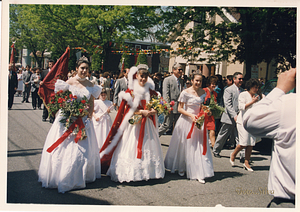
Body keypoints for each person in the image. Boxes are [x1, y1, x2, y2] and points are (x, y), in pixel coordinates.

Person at [38, 57, 102, 193]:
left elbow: (90, 104)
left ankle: (79, 175)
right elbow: (62, 99)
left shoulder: (91, 85)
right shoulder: (69, 82)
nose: (84, 71)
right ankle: (62, 175)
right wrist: (69, 114)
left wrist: (88, 118)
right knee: (64, 147)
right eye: (82, 68)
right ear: (77, 69)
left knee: (82, 149)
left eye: (87, 69)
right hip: (68, 118)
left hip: (82, 119)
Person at [100, 64, 165, 183]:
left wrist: (154, 110)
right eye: (141, 76)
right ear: (137, 76)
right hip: (134, 124)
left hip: (147, 125)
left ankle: (149, 172)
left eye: (145, 77)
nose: (143, 79)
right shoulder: (131, 92)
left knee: (148, 144)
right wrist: (141, 112)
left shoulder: (152, 92)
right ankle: (132, 173)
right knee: (131, 146)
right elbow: (127, 110)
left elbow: (160, 106)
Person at [243, 68, 296, 208]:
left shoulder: (289, 103)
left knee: (249, 143)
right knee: (244, 143)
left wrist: (279, 89)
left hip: (289, 200)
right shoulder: (242, 94)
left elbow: (250, 120)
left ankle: (246, 160)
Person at [164, 71, 214, 184]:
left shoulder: (203, 92)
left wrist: (207, 112)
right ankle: (182, 167)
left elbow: (203, 106)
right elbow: (180, 109)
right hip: (186, 120)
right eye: (196, 80)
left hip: (198, 121)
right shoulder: (185, 92)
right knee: (185, 145)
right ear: (192, 81)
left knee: (198, 146)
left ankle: (198, 171)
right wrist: (191, 115)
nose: (198, 83)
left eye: (200, 81)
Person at [229, 78, 261, 171]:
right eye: (255, 87)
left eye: (257, 88)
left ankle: (247, 162)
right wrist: (252, 102)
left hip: (252, 122)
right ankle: (234, 154)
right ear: (250, 87)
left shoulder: (257, 96)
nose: (256, 89)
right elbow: (241, 107)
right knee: (244, 142)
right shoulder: (243, 94)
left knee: (251, 143)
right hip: (242, 121)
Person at [212, 72, 244, 158]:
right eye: (239, 79)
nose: (241, 80)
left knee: (240, 136)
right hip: (229, 117)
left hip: (239, 117)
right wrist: (234, 115)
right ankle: (216, 150)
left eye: (242, 79)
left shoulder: (242, 90)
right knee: (223, 135)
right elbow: (228, 104)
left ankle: (242, 155)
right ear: (234, 79)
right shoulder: (229, 90)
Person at [158, 62, 183, 136]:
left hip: (179, 107)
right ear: (174, 70)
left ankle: (176, 142)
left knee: (179, 126)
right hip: (171, 106)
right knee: (166, 125)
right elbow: (165, 93)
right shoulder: (168, 79)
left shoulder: (181, 80)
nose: (181, 71)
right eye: (179, 69)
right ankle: (155, 136)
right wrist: (167, 106)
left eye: (182, 70)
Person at [203, 76, 218, 148]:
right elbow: (201, 102)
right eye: (212, 84)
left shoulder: (215, 93)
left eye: (215, 84)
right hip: (203, 114)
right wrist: (206, 110)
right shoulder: (204, 91)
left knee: (212, 130)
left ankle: (213, 146)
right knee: (202, 131)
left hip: (211, 115)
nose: (214, 85)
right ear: (209, 84)